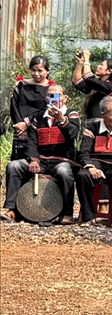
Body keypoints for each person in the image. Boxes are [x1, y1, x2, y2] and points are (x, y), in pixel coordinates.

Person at [3, 86, 78, 223]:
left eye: (58, 95)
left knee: (64, 171)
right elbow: (32, 141)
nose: (54, 99)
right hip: (41, 160)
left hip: (62, 161)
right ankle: (12, 209)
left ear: (65, 98)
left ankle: (67, 213)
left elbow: (73, 134)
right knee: (14, 166)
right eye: (50, 95)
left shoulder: (72, 115)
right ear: (46, 98)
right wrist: (34, 160)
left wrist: (61, 119)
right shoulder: (39, 117)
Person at [78, 96, 112, 224]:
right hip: (96, 162)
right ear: (103, 114)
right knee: (82, 175)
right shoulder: (92, 129)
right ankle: (88, 216)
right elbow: (84, 152)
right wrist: (91, 167)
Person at [72, 52, 112, 122]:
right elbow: (78, 83)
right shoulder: (98, 87)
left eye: (101, 65)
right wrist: (80, 63)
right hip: (92, 125)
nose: (98, 66)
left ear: (109, 71)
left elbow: (88, 78)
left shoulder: (111, 87)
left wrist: (87, 61)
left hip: (103, 125)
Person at [9, 55, 55, 133]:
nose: (36, 74)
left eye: (40, 71)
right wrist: (20, 127)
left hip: (41, 128)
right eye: (33, 70)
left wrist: (27, 123)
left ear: (47, 71)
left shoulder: (53, 89)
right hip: (20, 129)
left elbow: (51, 109)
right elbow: (14, 107)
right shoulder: (20, 85)